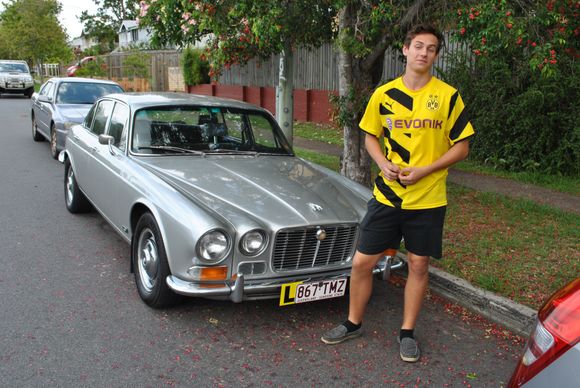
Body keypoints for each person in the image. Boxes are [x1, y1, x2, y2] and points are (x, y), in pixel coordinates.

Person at [320, 23, 475, 363]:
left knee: (418, 265)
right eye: (418, 46)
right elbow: (369, 136)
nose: (423, 52)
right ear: (405, 50)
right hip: (388, 196)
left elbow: (462, 146)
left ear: (436, 55)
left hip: (429, 197)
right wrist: (382, 163)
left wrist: (426, 169)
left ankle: (407, 332)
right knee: (362, 262)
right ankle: (352, 322)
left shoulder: (447, 96)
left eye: (431, 48)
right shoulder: (384, 94)